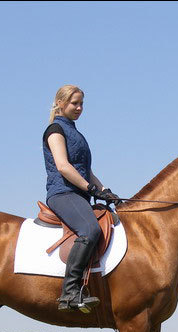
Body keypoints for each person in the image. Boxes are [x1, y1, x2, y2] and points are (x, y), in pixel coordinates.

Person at [43, 85, 121, 312]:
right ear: (60, 103)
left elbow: (87, 171)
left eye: (81, 104)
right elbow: (63, 166)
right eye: (74, 103)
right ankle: (69, 292)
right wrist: (90, 188)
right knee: (90, 229)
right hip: (62, 193)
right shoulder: (55, 130)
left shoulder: (75, 133)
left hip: (78, 194)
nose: (79, 108)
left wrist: (105, 190)